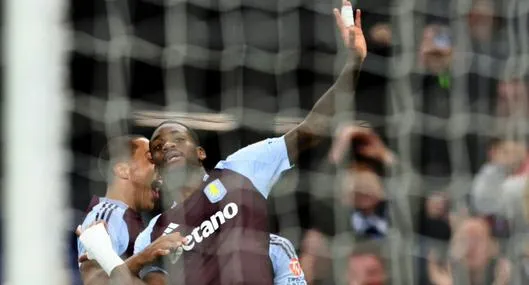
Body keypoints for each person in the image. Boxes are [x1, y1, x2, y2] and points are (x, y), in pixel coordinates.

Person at [78, 2, 367, 284]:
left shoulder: (240, 169)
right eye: (157, 147)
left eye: (178, 138)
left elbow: (310, 130)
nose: (167, 146)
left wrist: (353, 63)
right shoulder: (153, 234)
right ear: (159, 174)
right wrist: (124, 256)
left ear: (201, 152)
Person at [77, 135, 186, 284]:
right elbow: (95, 283)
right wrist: (144, 256)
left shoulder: (133, 222)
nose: (160, 171)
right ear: (123, 170)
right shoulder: (107, 215)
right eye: (151, 160)